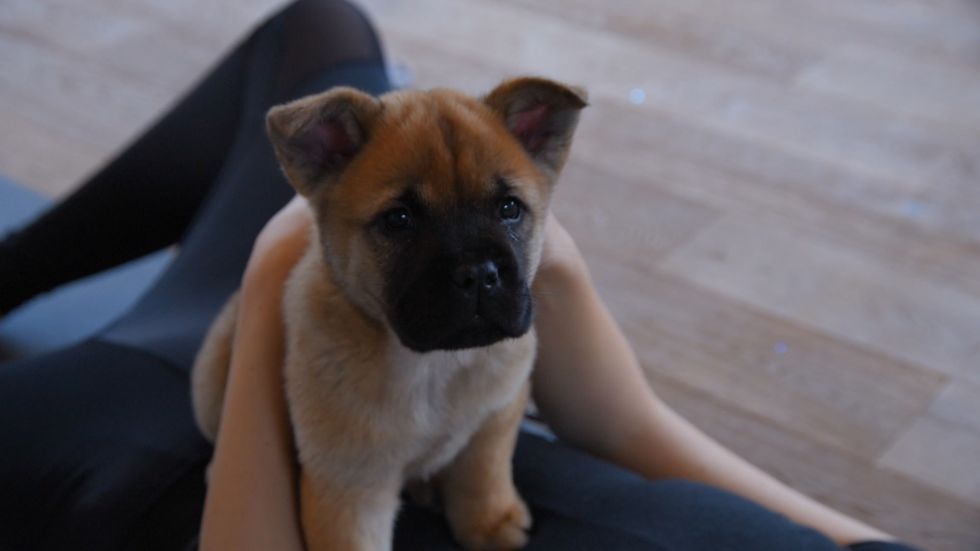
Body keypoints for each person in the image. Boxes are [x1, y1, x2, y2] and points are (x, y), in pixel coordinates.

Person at [0, 1, 921, 549]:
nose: (474, 270)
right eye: (409, 222)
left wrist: (276, 258)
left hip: (134, 449)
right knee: (325, 17)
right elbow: (620, 417)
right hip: (325, 305)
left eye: (505, 218)